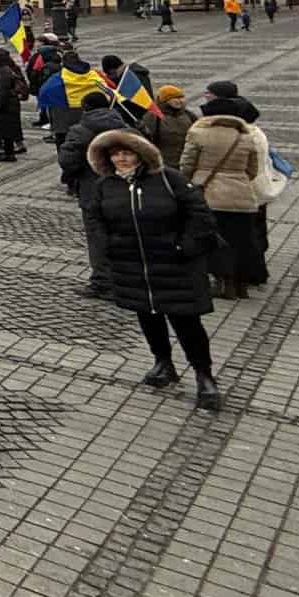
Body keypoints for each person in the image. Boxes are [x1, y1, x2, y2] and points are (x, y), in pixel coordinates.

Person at [82, 131, 221, 410]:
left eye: (127, 153)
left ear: (140, 154)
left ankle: (204, 375)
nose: (121, 159)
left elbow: (199, 213)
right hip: (131, 263)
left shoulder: (168, 179)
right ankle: (163, 362)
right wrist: (107, 246)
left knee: (186, 322)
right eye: (115, 154)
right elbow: (94, 218)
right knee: (148, 316)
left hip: (174, 263)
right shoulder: (105, 185)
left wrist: (185, 246)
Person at [179, 108, 264, 300]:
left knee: (215, 241)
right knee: (241, 241)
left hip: (210, 194)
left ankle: (223, 283)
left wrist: (188, 185)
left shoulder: (198, 134)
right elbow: (252, 170)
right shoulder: (247, 137)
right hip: (242, 196)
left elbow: (186, 165)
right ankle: (240, 284)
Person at [140, 86, 198, 163]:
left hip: (185, 161)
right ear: (164, 100)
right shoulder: (153, 116)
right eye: (175, 98)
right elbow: (147, 139)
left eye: (181, 98)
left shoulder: (189, 115)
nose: (179, 101)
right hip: (163, 161)